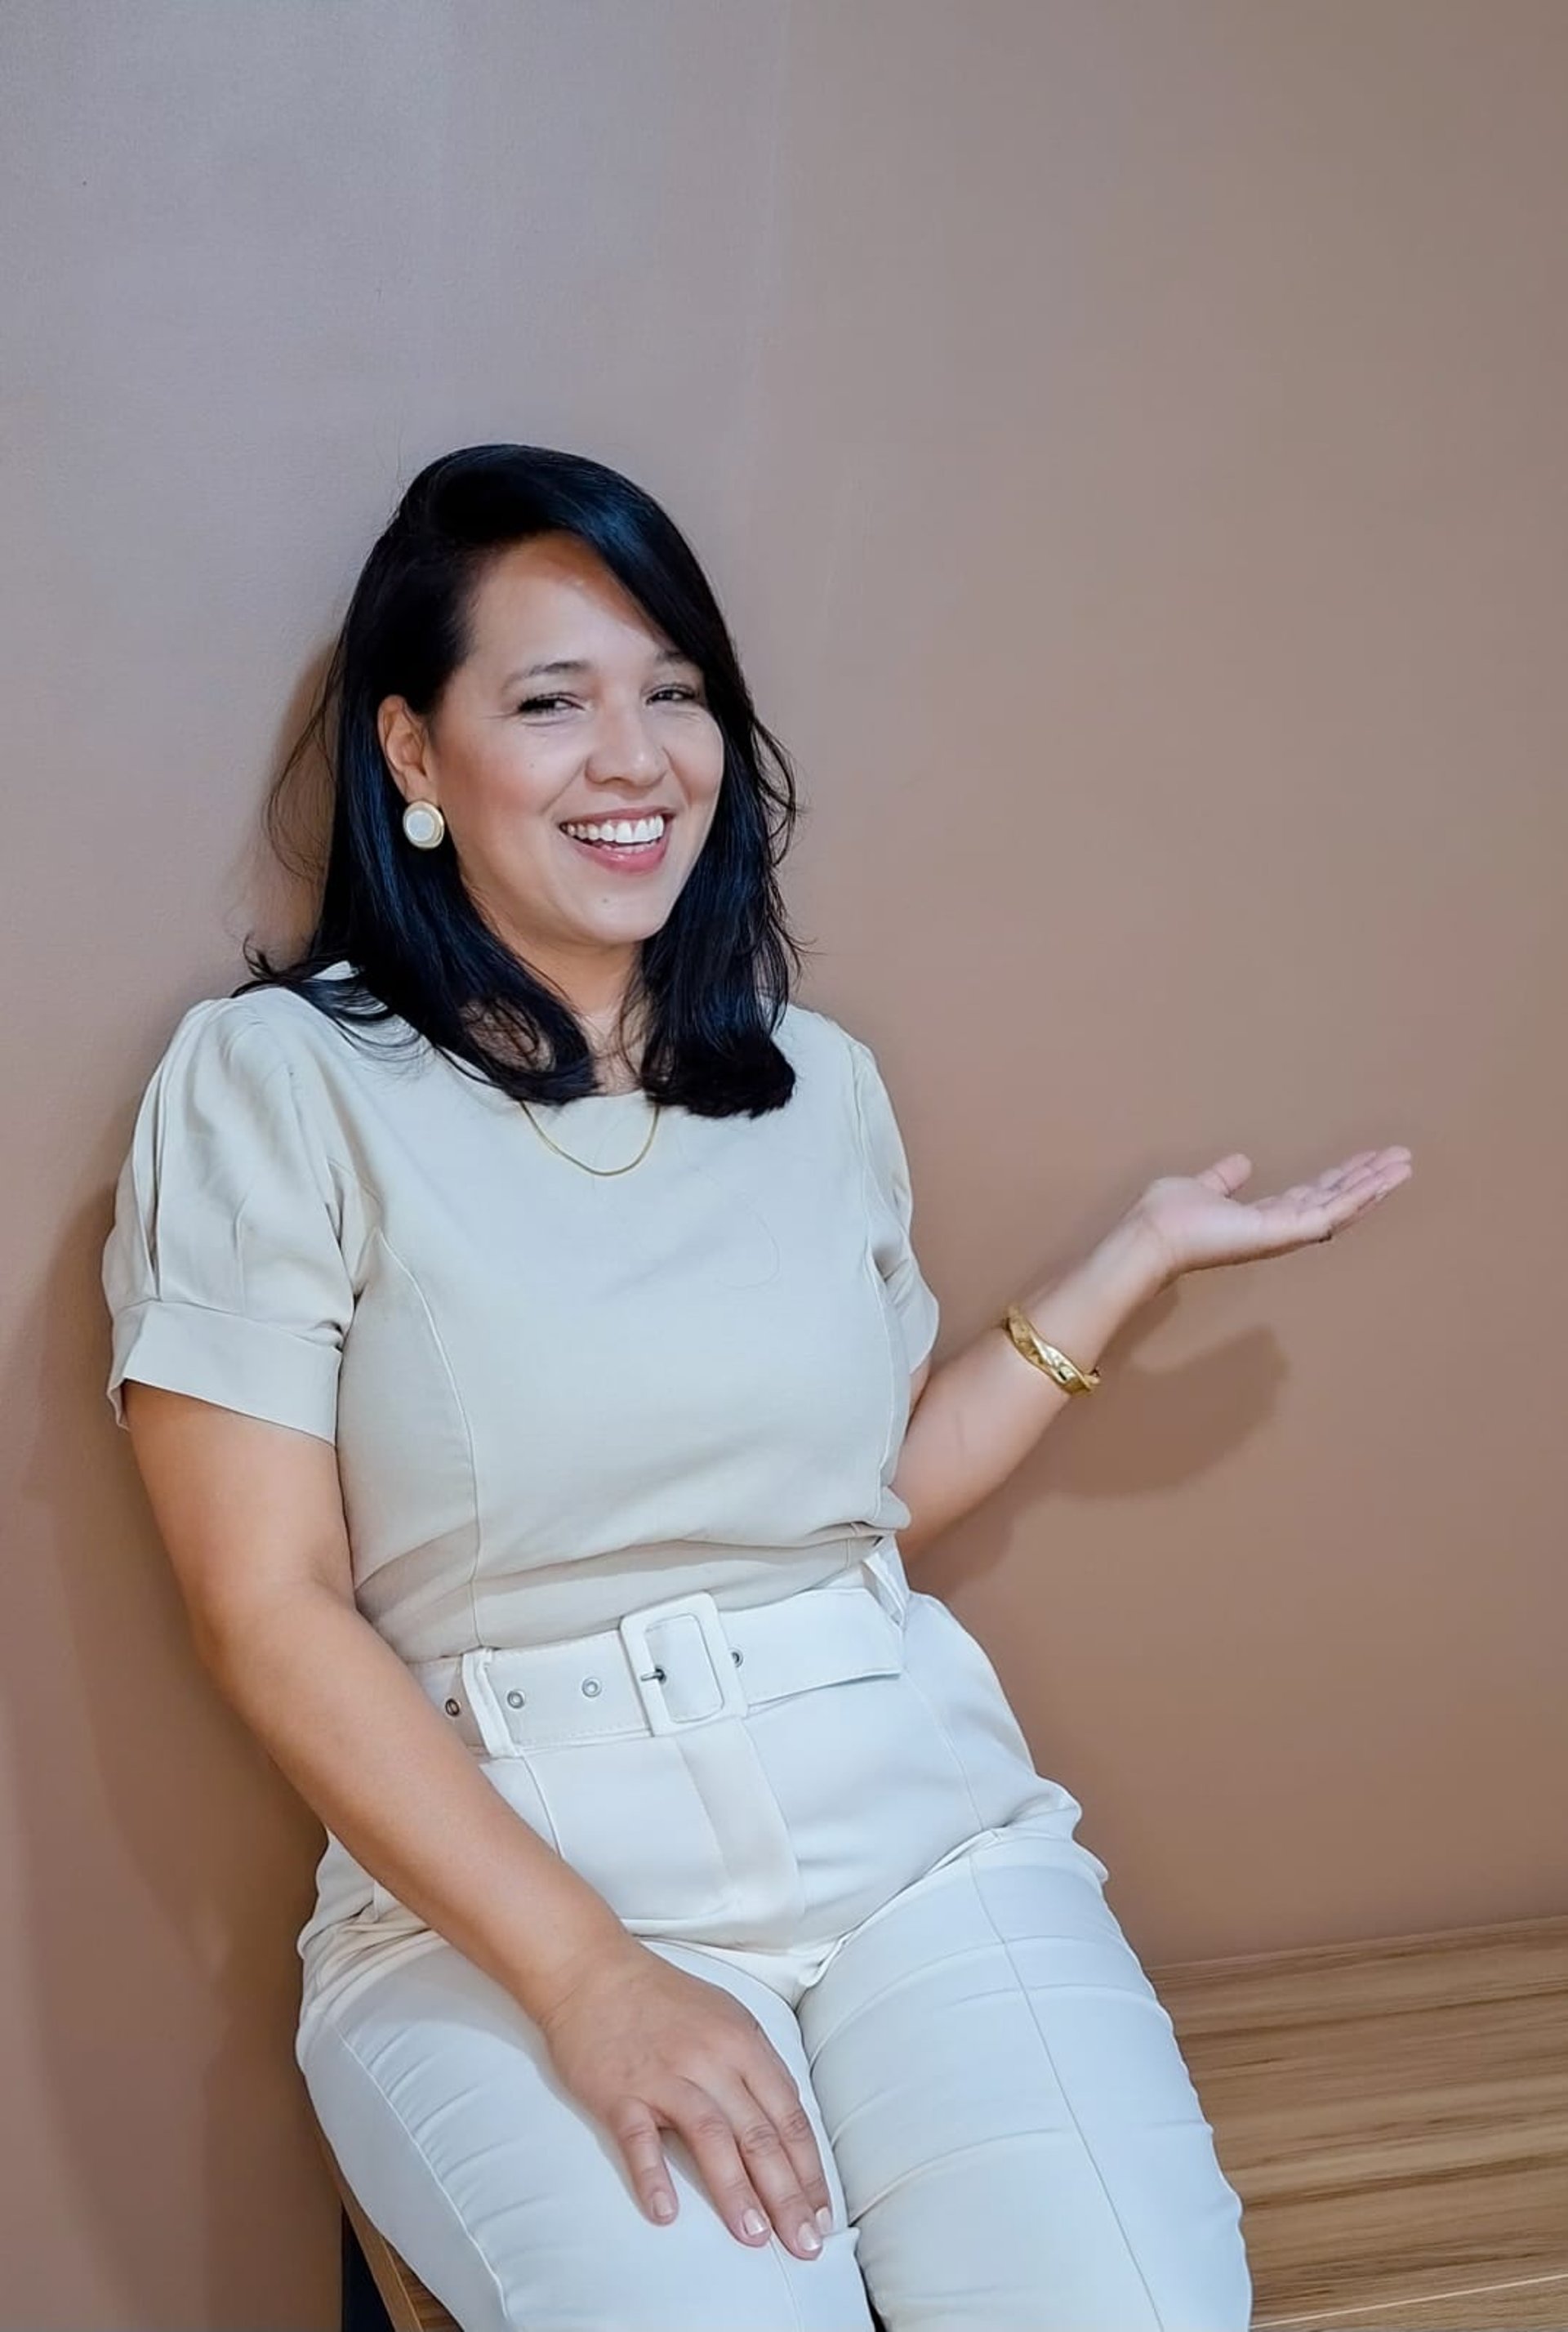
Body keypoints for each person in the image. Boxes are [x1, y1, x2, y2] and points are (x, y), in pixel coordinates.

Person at [100, 442, 1411, 2332]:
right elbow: (265, 1607)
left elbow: (859, 1497)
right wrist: (586, 1973)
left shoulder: (814, 1085)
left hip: (912, 1833)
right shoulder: (276, 1087)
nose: (635, 758)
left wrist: (1125, 1265)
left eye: (675, 693)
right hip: (511, 1880)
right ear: (411, 754)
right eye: (551, 703)